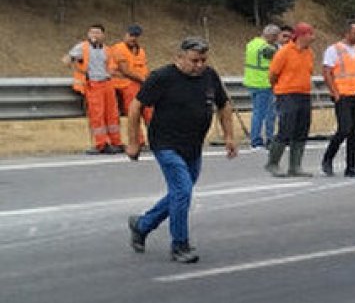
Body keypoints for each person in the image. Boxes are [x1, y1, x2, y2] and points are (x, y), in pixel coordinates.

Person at [125, 37, 237, 264]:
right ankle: (180, 245)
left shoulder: (209, 76)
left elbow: (224, 104)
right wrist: (134, 141)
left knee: (180, 193)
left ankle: (142, 225)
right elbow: (136, 106)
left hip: (193, 146)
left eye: (203, 60)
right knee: (183, 191)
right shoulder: (162, 77)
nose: (199, 65)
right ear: (179, 58)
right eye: (194, 60)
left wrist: (229, 136)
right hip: (166, 144)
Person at [321, 20, 355, 178]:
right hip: (343, 94)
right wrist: (334, 93)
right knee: (344, 128)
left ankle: (351, 166)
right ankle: (328, 158)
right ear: (347, 34)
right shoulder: (334, 49)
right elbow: (327, 72)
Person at [266, 21, 316, 177]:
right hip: (287, 93)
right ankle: (273, 162)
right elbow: (273, 74)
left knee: (302, 128)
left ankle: (295, 165)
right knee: (286, 128)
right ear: (301, 35)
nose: (313, 37)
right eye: (310, 34)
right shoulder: (285, 52)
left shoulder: (309, 53)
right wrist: (279, 89)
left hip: (304, 93)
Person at [64, 23, 123, 154]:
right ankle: (101, 143)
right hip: (93, 84)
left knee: (112, 114)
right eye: (92, 32)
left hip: (108, 84)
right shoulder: (82, 47)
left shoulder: (107, 50)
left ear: (103, 35)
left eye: (97, 32)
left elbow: (113, 67)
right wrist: (77, 67)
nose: (94, 35)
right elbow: (67, 59)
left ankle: (116, 142)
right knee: (97, 115)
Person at [110, 24, 152, 144]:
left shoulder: (141, 51)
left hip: (140, 84)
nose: (133, 38)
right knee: (134, 113)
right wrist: (143, 80)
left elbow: (144, 68)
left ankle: (156, 138)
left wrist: (147, 80)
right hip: (125, 84)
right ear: (125, 35)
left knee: (149, 112)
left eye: (136, 36)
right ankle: (138, 140)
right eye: (131, 35)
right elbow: (125, 70)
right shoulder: (119, 48)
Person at [244, 24, 282, 149]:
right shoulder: (267, 49)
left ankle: (256, 139)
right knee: (268, 113)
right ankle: (264, 140)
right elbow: (280, 58)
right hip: (264, 83)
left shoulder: (252, 43)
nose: (276, 40)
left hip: (251, 81)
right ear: (271, 36)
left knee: (257, 112)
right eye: (276, 37)